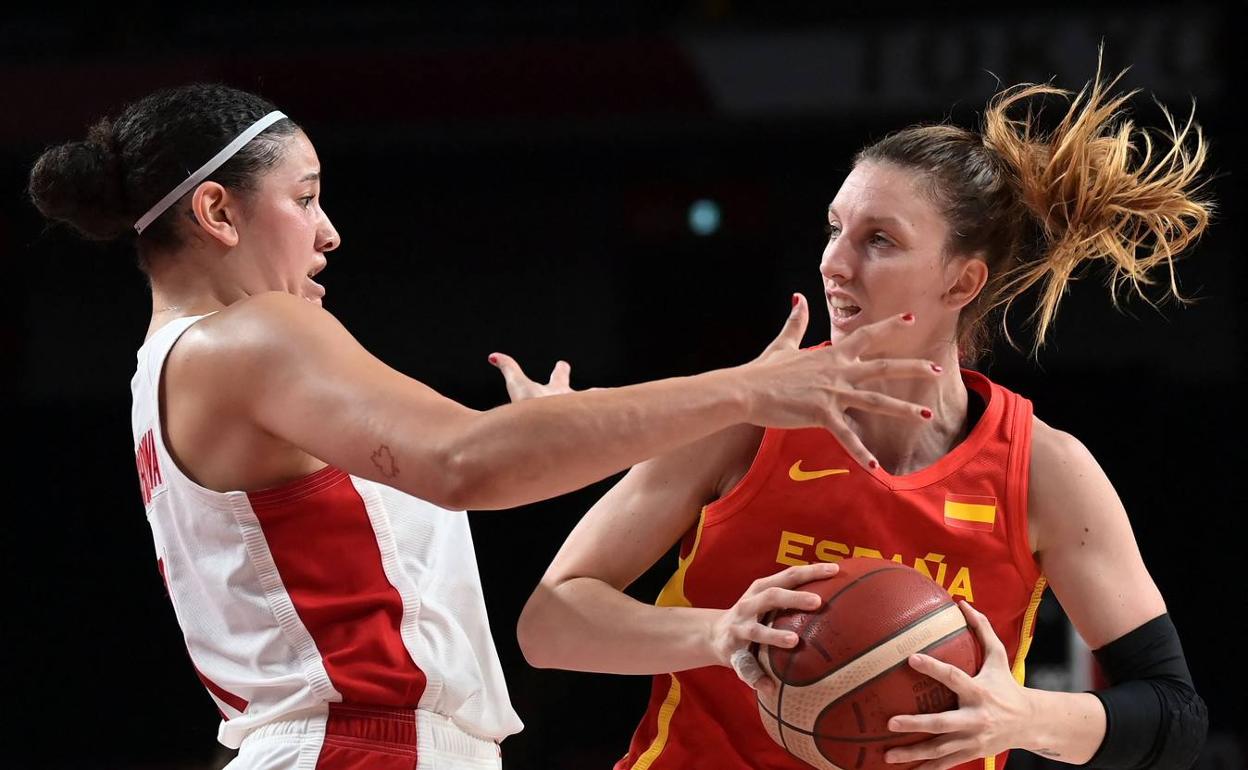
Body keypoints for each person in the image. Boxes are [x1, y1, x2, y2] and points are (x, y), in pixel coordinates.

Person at [27, 84, 942, 770]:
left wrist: (559, 435)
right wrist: (748, 389)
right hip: (361, 748)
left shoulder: (173, 366)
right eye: (304, 198)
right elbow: (466, 461)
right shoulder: (256, 332)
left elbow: (475, 470)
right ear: (216, 211)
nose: (329, 230)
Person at [515, 68, 1211, 770]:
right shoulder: (746, 413)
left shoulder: (1042, 471)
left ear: (961, 281)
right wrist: (717, 633)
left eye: (879, 239)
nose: (834, 264)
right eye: (834, 229)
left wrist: (1021, 715)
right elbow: (549, 623)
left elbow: (1174, 714)